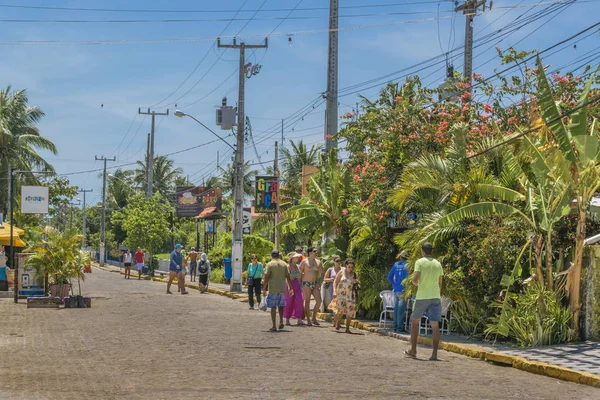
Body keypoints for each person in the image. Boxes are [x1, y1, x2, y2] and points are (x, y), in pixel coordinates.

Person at [405, 242, 443, 361]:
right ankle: (434, 354)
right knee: (435, 325)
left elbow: (415, 280)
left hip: (422, 296)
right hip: (435, 296)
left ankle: (413, 350)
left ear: (422, 251)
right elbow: (440, 282)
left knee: (415, 321)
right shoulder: (438, 263)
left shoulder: (420, 262)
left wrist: (417, 283)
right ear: (431, 251)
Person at [262, 250, 294, 332]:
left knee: (273, 307)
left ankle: (274, 326)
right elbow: (288, 276)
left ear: (272, 255)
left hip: (273, 288)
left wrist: (264, 289)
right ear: (278, 255)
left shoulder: (269, 264)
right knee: (281, 306)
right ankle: (281, 321)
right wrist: (290, 287)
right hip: (282, 288)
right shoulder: (284, 264)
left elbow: (266, 277)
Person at [330, 259, 360, 333]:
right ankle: (338, 322)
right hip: (341, 294)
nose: (350, 269)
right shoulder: (341, 272)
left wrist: (356, 281)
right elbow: (335, 281)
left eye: (352, 267)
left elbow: (359, 283)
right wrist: (334, 291)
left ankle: (347, 328)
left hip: (350, 295)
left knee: (350, 312)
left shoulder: (355, 274)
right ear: (346, 265)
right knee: (340, 310)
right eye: (349, 267)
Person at [299, 246, 324, 326]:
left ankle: (314, 318)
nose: (316, 253)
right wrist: (299, 284)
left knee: (319, 301)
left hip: (315, 283)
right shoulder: (304, 261)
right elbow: (299, 273)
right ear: (310, 253)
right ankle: (308, 319)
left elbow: (322, 273)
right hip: (306, 283)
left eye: (316, 251)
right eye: (314, 251)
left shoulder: (318, 262)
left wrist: (319, 282)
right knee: (307, 300)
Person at [388, 252, 410, 332]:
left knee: (396, 309)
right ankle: (400, 328)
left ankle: (395, 326)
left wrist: (394, 284)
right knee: (401, 310)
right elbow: (408, 279)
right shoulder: (408, 266)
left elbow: (389, 276)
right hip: (403, 290)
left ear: (400, 257)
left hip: (396, 290)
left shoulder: (396, 265)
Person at [284, 252, 305, 325]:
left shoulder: (298, 266)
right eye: (296, 257)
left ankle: (299, 318)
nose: (297, 258)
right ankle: (287, 319)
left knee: (300, 300)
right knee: (289, 301)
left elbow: (299, 278)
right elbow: (287, 277)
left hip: (297, 285)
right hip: (290, 284)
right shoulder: (288, 266)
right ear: (292, 258)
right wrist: (290, 287)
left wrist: (300, 286)